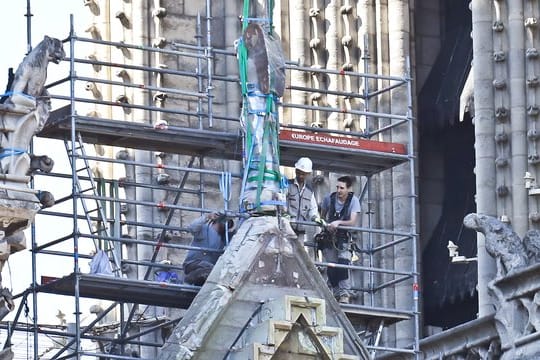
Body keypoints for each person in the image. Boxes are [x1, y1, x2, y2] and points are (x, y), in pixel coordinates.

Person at [320, 175, 361, 304]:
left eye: (342, 188)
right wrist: (327, 225)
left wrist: (338, 223)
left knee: (343, 265)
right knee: (331, 267)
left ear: (349, 189)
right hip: (330, 238)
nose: (339, 190)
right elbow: (322, 216)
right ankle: (335, 294)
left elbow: (352, 221)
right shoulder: (329, 199)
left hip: (344, 238)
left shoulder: (353, 201)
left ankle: (344, 294)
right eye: (337, 187)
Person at [183, 212, 233, 286]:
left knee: (213, 271)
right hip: (193, 263)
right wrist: (207, 216)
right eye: (226, 223)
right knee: (210, 268)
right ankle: (188, 280)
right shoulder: (204, 229)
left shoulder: (223, 238)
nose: (226, 226)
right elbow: (192, 227)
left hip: (207, 270)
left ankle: (196, 285)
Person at [286, 157, 321, 257]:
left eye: (303, 173)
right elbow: (281, 203)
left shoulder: (310, 192)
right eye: (299, 172)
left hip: (300, 232)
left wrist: (316, 218)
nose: (300, 175)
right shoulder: (288, 186)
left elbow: (313, 210)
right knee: (286, 254)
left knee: (298, 257)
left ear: (308, 174)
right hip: (287, 229)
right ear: (296, 170)